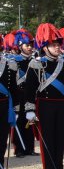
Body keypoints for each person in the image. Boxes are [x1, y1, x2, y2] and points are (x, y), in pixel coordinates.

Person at [25, 23, 64, 169]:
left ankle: (59, 168)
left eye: (57, 45)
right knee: (47, 138)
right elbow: (30, 88)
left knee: (60, 137)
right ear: (45, 47)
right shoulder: (36, 64)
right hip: (45, 104)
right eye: (53, 45)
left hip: (61, 105)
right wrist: (30, 109)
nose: (57, 48)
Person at [12, 29, 38, 158]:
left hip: (31, 95)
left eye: (31, 45)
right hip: (19, 94)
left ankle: (30, 148)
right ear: (20, 46)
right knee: (20, 121)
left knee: (31, 121)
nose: (29, 47)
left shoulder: (35, 62)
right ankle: (19, 149)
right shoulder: (14, 61)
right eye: (27, 45)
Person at [0, 38, 18, 169]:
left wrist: (16, 109)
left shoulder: (8, 63)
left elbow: (13, 89)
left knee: (1, 143)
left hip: (4, 107)